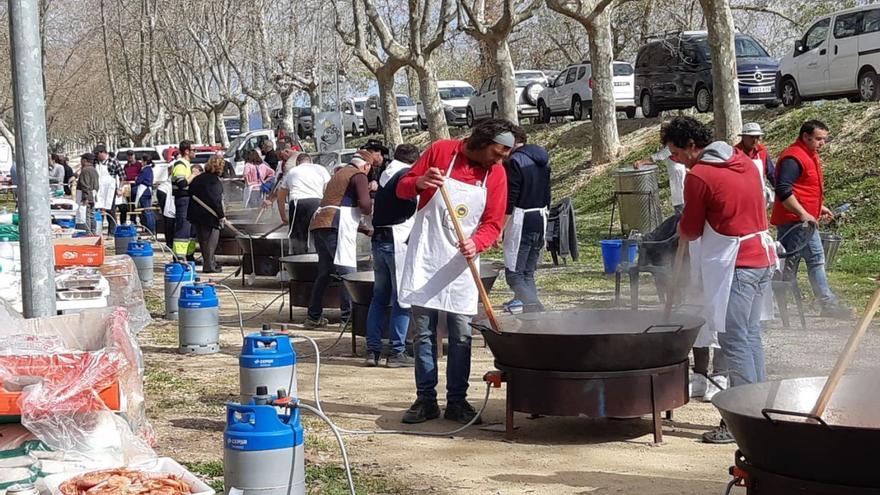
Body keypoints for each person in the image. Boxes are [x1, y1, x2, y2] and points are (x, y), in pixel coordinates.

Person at [666, 116, 777, 444]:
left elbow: (692, 228)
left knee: (735, 341)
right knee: (750, 335)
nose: (676, 160)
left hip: (739, 265)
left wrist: (681, 229)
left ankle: (742, 422)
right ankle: (762, 410)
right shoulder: (741, 159)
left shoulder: (700, 175)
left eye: (676, 153)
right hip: (762, 258)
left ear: (690, 146)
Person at [396, 119, 512, 425]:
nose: (499, 160)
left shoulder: (496, 174)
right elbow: (402, 188)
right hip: (427, 258)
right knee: (423, 334)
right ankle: (426, 400)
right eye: (497, 153)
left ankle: (457, 401)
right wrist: (419, 182)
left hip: (461, 265)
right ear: (481, 141)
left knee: (461, 335)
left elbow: (493, 223)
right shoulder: (440, 151)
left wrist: (478, 243)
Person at [772, 120, 851, 319]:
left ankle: (776, 304)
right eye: (818, 139)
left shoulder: (808, 154)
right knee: (815, 259)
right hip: (797, 221)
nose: (822, 143)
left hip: (800, 219)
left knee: (789, 265)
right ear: (805, 136)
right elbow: (783, 190)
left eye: (824, 139)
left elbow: (803, 188)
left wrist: (818, 207)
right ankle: (827, 303)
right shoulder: (794, 157)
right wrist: (803, 213)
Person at [305, 146, 383, 328]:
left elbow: (341, 205)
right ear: (366, 166)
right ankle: (347, 318)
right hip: (335, 226)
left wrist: (364, 229)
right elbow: (363, 205)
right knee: (348, 273)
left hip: (321, 224)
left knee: (324, 273)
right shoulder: (359, 175)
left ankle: (313, 316)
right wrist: (371, 205)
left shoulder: (340, 174)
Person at [364, 143, 421, 368]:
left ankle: (373, 350)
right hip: (398, 239)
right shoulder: (406, 175)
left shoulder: (386, 174)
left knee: (379, 297)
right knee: (402, 298)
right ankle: (397, 352)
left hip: (380, 239)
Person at [503, 126, 551, 313]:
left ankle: (536, 308)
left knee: (514, 275)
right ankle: (533, 318)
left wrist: (501, 225)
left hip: (521, 218)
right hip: (540, 217)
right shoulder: (542, 159)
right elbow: (548, 193)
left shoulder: (515, 161)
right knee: (528, 272)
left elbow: (511, 196)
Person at [272, 152, 330, 255]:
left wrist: (283, 217)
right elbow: (328, 190)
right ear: (311, 161)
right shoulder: (321, 169)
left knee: (298, 237)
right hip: (317, 202)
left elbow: (281, 197)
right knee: (317, 233)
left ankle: (298, 261)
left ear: (297, 162)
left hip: (298, 203)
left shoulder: (293, 171)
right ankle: (318, 260)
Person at [635, 123, 687, 214]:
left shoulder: (672, 145)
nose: (661, 133)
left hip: (677, 175)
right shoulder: (670, 144)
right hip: (675, 174)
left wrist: (642, 162)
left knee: (680, 200)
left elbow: (659, 156)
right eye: (661, 130)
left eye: (663, 131)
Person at [188, 156, 226, 273]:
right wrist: (221, 215)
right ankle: (209, 266)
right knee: (211, 241)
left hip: (196, 214)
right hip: (209, 216)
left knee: (203, 241)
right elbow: (216, 200)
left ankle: (209, 263)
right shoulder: (214, 181)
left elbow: (190, 192)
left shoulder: (198, 179)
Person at [734, 122, 775, 205]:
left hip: (760, 195)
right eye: (752, 137)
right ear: (743, 137)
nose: (755, 140)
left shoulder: (762, 152)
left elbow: (772, 174)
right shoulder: (735, 153)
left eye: (757, 137)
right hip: (741, 197)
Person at [170, 140, 197, 260]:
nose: (195, 153)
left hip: (189, 200)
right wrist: (193, 175)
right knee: (183, 228)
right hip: (182, 200)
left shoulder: (187, 164)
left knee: (191, 229)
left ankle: (189, 255)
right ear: (186, 151)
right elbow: (182, 183)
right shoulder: (180, 164)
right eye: (194, 150)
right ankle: (179, 256)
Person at [93, 145, 124, 234]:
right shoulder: (95, 161)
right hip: (99, 189)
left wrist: (120, 188)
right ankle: (98, 231)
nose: (96, 156)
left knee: (111, 210)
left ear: (103, 152)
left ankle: (112, 232)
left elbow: (122, 176)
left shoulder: (113, 161)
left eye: (98, 154)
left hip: (110, 189)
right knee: (98, 209)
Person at [76, 153, 100, 234]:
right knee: (92, 215)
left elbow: (85, 185)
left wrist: (85, 197)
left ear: (85, 160)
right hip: (93, 195)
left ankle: (88, 233)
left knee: (86, 215)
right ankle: (93, 232)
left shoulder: (85, 170)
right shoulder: (94, 170)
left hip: (86, 196)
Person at [134, 154, 155, 233]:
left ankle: (150, 229)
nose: (141, 162)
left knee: (147, 211)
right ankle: (149, 228)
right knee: (147, 211)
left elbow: (138, 180)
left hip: (144, 191)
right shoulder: (149, 169)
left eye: (142, 161)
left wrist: (137, 179)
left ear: (145, 162)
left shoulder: (145, 170)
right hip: (148, 191)